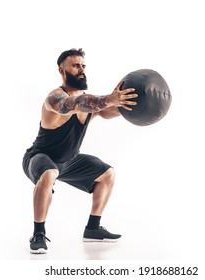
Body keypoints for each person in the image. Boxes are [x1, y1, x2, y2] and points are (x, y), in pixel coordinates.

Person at [22, 48, 138, 254]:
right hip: (40, 158)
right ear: (61, 69)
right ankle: (38, 234)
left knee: (107, 174)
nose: (81, 69)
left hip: (69, 161)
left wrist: (128, 105)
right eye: (75, 65)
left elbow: (106, 111)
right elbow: (73, 104)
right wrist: (108, 99)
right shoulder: (55, 98)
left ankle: (93, 228)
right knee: (49, 173)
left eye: (83, 66)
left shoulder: (88, 102)